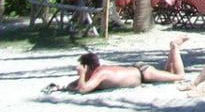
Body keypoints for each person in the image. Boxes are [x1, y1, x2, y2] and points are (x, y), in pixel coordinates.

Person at [51, 36, 190, 93]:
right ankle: (173, 49)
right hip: (139, 70)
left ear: (87, 68)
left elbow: (83, 89)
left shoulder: (100, 74)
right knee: (171, 75)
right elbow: (75, 85)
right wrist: (63, 87)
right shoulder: (98, 72)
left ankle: (174, 47)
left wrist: (81, 74)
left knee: (179, 76)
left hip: (143, 73)